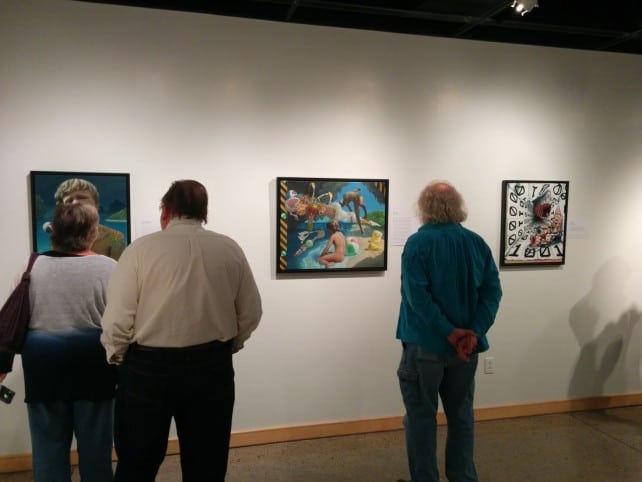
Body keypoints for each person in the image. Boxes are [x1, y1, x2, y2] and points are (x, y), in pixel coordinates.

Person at [100, 179, 262, 482]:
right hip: (212, 366)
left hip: (147, 370)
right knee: (207, 465)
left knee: (137, 464)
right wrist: (230, 344)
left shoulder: (139, 251)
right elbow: (251, 312)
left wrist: (118, 358)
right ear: (204, 212)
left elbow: (118, 321)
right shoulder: (229, 249)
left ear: (166, 211)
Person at [0, 203, 117, 482]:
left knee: (48, 451)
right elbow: (123, 324)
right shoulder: (111, 268)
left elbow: (12, 320)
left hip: (44, 370)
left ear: (55, 232)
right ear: (93, 232)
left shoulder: (33, 266)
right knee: (96, 452)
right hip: (95, 369)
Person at [396, 181, 502, 482]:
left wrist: (448, 332)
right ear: (458, 206)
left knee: (420, 419)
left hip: (424, 347)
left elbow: (417, 297)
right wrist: (473, 333)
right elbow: (492, 293)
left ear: (424, 208)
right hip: (465, 350)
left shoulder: (418, 244)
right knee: (461, 416)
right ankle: (463, 477)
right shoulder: (476, 243)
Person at [53, 178, 126, 260]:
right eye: (69, 200)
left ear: (96, 205)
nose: (75, 203)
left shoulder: (115, 237)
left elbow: (117, 270)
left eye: (82, 197)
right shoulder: (59, 236)